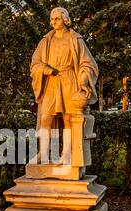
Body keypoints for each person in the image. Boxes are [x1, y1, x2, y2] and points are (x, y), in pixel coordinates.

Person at [30, 7, 99, 164]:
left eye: (57, 19)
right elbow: (34, 63)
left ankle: (67, 154)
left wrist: (83, 80)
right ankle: (43, 153)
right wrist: (46, 70)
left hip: (69, 80)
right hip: (51, 81)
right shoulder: (45, 41)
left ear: (65, 20)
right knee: (46, 118)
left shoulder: (75, 39)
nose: (54, 22)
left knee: (68, 119)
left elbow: (88, 63)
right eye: (52, 19)